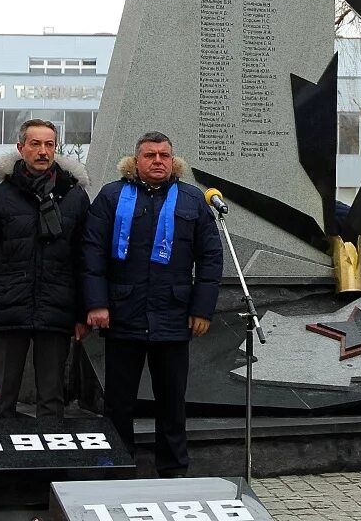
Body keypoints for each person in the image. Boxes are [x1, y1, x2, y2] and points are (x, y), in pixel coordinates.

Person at [81, 132, 221, 477]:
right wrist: (97, 303)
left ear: (174, 161)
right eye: (150, 155)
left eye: (164, 155)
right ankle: (116, 468)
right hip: (122, 315)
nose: (158, 161)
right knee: (118, 403)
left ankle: (173, 470)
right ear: (135, 160)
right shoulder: (112, 196)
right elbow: (91, 253)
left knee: (172, 402)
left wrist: (202, 309)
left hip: (174, 317)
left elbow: (210, 258)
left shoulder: (192, 200)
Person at [0, 119, 90, 419]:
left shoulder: (75, 196)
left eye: (49, 144)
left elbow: (84, 258)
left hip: (56, 308)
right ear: (21, 148)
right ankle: (2, 464)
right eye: (35, 144)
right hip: (9, 307)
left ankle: (48, 464)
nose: (43, 151)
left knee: (51, 398)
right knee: (4, 397)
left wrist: (81, 313)